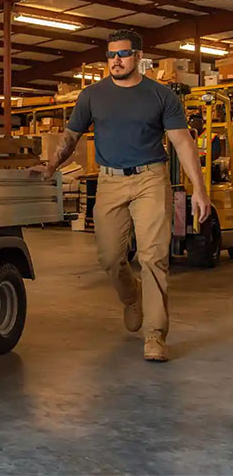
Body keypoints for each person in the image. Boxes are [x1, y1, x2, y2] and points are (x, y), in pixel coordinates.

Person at [31, 29, 211, 362]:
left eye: (123, 54)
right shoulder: (92, 96)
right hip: (109, 181)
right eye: (111, 55)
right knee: (110, 257)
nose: (116, 60)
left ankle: (155, 336)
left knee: (153, 257)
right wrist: (52, 166)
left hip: (150, 180)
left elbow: (183, 142)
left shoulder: (160, 96)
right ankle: (132, 297)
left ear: (138, 57)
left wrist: (199, 189)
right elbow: (71, 137)